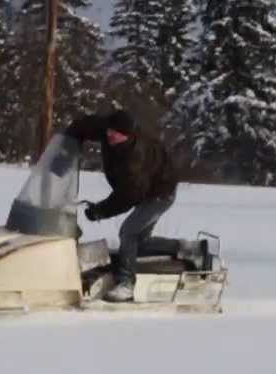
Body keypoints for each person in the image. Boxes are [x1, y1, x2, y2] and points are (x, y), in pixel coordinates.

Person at [62, 108, 198, 302]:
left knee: (128, 232)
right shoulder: (108, 129)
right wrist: (67, 141)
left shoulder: (136, 157)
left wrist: (100, 211)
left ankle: (126, 284)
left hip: (160, 193)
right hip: (144, 187)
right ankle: (186, 248)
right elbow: (84, 125)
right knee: (138, 242)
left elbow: (128, 196)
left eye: (115, 136)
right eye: (109, 133)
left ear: (128, 137)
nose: (110, 137)